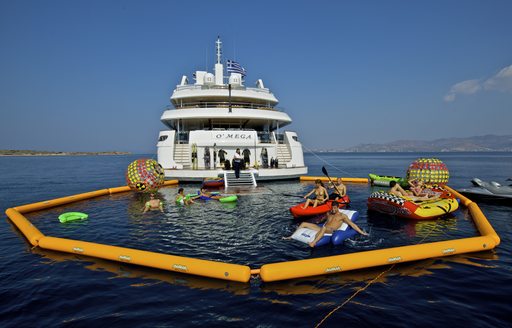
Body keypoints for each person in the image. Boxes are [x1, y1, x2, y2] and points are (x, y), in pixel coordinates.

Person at [284, 201, 368, 247]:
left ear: (338, 207)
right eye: (332, 208)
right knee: (304, 223)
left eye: (335, 208)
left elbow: (352, 224)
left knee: (323, 228)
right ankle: (291, 236)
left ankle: (313, 242)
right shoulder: (329, 213)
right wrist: (317, 222)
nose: (333, 209)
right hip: (322, 228)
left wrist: (362, 232)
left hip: (331, 231)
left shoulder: (342, 216)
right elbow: (322, 219)